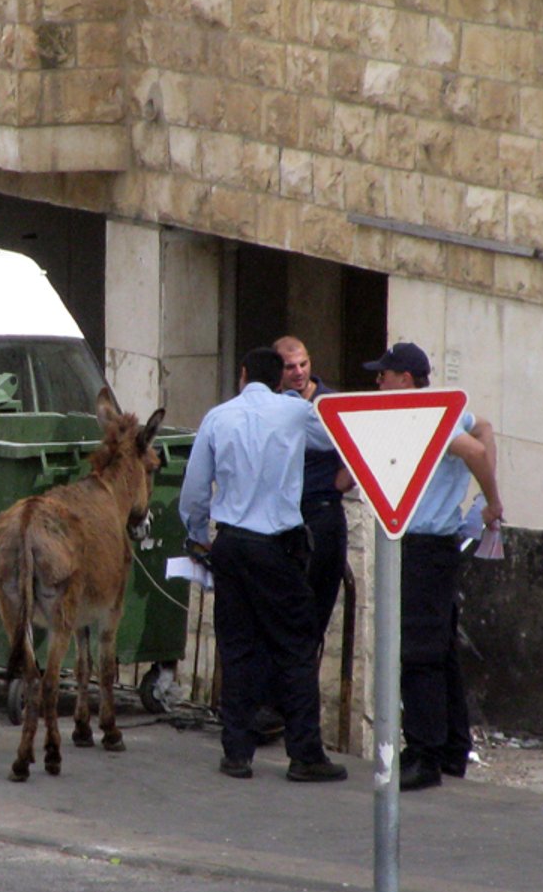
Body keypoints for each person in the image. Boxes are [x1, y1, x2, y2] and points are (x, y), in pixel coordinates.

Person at [179, 346, 348, 783]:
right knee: (295, 647)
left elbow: (195, 490)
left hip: (230, 546)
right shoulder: (294, 412)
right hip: (276, 547)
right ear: (279, 380)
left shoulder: (218, 417)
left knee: (237, 648)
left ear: (242, 375)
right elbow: (337, 438)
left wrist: (198, 535)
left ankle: (237, 753)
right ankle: (305, 754)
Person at [363, 341, 504, 790]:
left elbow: (477, 450)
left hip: (425, 546)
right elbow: (484, 428)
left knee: (418, 654)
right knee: (439, 650)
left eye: (385, 375)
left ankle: (424, 754)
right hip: (431, 547)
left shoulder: (428, 414)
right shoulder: (440, 412)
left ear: (406, 380)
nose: (379, 381)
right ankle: (451, 749)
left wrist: (491, 501)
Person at [273, 336, 349, 644]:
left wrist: (341, 481)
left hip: (321, 511)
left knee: (310, 621)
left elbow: (358, 452)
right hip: (281, 517)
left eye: (303, 364)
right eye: (290, 367)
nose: (299, 372)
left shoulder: (331, 404)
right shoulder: (271, 404)